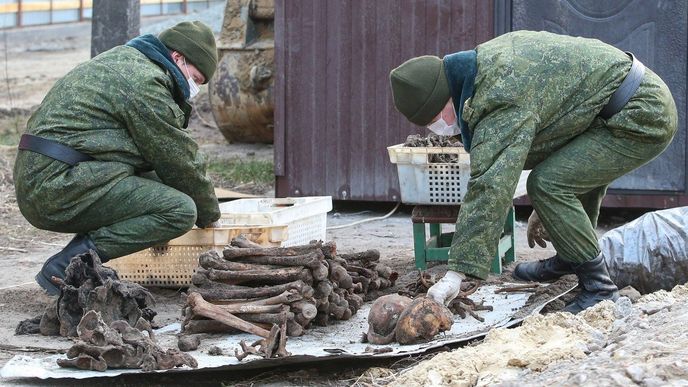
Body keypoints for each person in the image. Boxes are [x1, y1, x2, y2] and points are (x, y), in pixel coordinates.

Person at [389, 30, 677, 313]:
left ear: (446, 98)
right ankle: (570, 255)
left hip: (641, 113)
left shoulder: (498, 94)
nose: (438, 128)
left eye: (435, 119)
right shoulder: (485, 64)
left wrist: (457, 273)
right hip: (610, 108)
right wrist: (552, 214)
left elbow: (490, 185)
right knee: (554, 183)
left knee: (548, 185)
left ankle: (600, 289)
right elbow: (554, 117)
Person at [13, 21, 222, 295]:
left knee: (164, 186)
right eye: (195, 79)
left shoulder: (127, 61)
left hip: (48, 172)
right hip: (54, 183)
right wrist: (210, 216)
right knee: (179, 210)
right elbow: (178, 158)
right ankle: (68, 265)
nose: (194, 87)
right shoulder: (145, 84)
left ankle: (76, 261)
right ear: (178, 58)